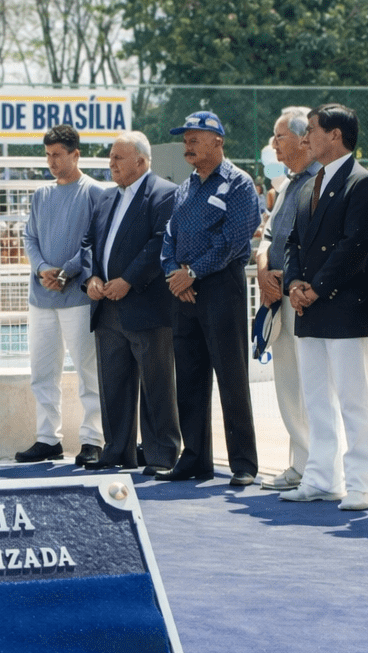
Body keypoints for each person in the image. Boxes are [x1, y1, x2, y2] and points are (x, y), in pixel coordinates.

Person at [280, 104, 368, 508]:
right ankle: (322, 476)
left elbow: (356, 246)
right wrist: (294, 284)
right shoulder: (309, 185)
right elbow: (292, 242)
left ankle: (361, 482)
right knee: (317, 399)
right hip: (310, 307)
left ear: (336, 135)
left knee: (354, 399)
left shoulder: (362, 184)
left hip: (344, 307)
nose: (306, 138)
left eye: (312, 130)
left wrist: (316, 287)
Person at [159, 110, 261, 485]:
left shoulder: (238, 183)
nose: (188, 143)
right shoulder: (186, 187)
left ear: (218, 141)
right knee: (188, 376)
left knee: (231, 375)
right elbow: (169, 234)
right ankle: (196, 458)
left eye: (195, 137)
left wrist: (193, 273)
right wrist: (175, 273)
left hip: (220, 287)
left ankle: (244, 464)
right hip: (183, 291)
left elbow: (234, 240)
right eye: (185, 137)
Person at [83, 131, 180, 473]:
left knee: (156, 384)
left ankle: (161, 454)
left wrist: (129, 280)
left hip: (146, 305)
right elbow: (89, 244)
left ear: (141, 161)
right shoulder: (105, 199)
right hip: (107, 307)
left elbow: (160, 244)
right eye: (110, 158)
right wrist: (92, 278)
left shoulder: (164, 195)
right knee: (113, 383)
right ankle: (117, 450)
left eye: (118, 158)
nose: (111, 164)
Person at [16, 124, 104, 465]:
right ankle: (46, 438)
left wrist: (66, 272)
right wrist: (41, 269)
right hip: (41, 298)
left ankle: (92, 439)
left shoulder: (95, 193)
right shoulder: (42, 195)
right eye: (48, 155)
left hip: (78, 297)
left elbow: (94, 243)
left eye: (58, 155)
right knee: (42, 372)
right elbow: (30, 238)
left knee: (87, 371)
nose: (52, 162)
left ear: (75, 154)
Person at [256, 107, 319, 490]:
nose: (274, 144)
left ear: (302, 138)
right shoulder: (287, 184)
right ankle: (300, 463)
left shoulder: (317, 181)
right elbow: (268, 235)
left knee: (310, 388)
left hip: (301, 297)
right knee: (289, 386)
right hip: (276, 296)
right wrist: (263, 268)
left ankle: (316, 465)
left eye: (280, 136)